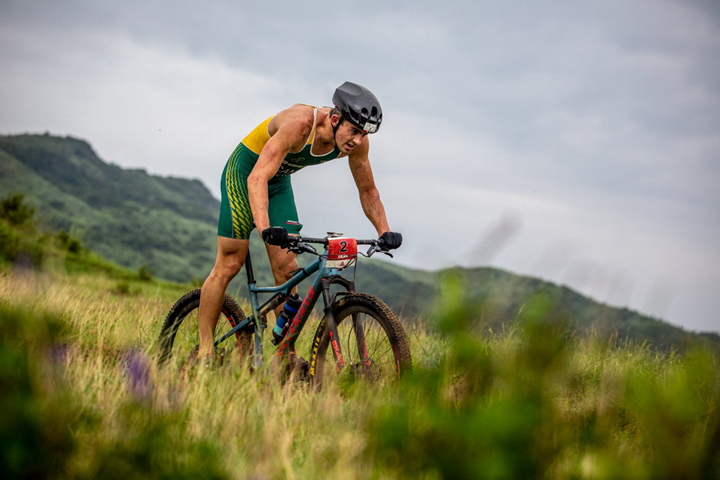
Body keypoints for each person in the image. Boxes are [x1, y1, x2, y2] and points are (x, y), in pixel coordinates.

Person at [196, 81, 403, 359]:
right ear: (334, 118)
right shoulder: (301, 124)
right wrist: (265, 227)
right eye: (354, 130)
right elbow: (257, 178)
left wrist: (384, 230)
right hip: (245, 172)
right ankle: (204, 351)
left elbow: (368, 190)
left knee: (287, 268)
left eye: (364, 133)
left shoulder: (357, 145)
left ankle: (285, 354)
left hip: (278, 181)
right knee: (230, 262)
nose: (357, 140)